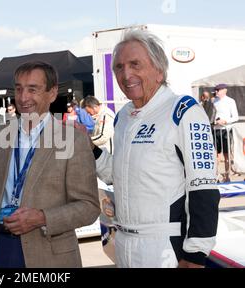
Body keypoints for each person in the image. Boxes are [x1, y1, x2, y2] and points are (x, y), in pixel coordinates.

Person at [93, 29, 220, 268]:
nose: (126, 73)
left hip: (164, 248)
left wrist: (195, 255)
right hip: (124, 244)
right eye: (118, 67)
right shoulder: (124, 117)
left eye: (135, 64)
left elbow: (203, 186)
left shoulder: (183, 110)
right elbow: (117, 174)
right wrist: (90, 149)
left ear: (159, 71)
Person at [0, 61, 100, 268]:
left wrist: (42, 218)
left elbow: (89, 207)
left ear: (52, 92)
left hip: (49, 256)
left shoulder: (73, 140)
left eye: (33, 89)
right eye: (19, 89)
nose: (23, 97)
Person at [212, 83, 239, 182]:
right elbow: (212, 116)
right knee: (216, 154)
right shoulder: (214, 101)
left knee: (227, 154)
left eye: (218, 90)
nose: (216, 92)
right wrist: (215, 121)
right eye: (215, 90)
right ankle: (216, 175)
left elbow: (235, 117)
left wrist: (225, 121)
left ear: (224, 90)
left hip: (226, 130)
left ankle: (227, 176)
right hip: (216, 130)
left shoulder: (230, 101)